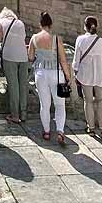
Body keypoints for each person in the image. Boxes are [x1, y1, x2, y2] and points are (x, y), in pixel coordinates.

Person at [29, 12, 73, 146]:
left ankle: (47, 131)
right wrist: (68, 76)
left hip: (41, 73)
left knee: (45, 104)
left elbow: (30, 57)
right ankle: (60, 131)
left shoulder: (34, 38)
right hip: (56, 73)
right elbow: (63, 60)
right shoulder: (56, 39)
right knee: (60, 104)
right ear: (51, 24)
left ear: (40, 24)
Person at [73, 16, 102, 138]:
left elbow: (76, 60)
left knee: (88, 102)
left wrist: (75, 73)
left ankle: (90, 128)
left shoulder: (80, 40)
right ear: (97, 27)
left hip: (85, 75)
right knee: (101, 102)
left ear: (85, 26)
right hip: (100, 75)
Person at [0, 6, 28, 124]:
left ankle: (15, 115)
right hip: (23, 56)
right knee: (23, 86)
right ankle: (23, 114)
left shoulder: (0, 22)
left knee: (13, 86)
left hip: (10, 57)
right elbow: (23, 39)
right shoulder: (20, 23)